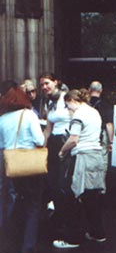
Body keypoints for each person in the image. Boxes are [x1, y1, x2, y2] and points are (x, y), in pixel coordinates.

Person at [52, 89, 107, 249]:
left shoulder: (78, 115)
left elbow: (74, 139)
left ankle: (73, 238)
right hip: (95, 157)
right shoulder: (94, 112)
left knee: (72, 196)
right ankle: (98, 233)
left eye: (68, 106)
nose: (68, 111)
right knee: (92, 196)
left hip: (81, 157)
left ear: (73, 101)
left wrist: (62, 151)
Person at [0, 86, 44, 253]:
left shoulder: (2, 119)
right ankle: (28, 246)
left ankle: (9, 244)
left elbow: (1, 145)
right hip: (29, 163)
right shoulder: (29, 115)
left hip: (10, 164)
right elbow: (39, 140)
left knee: (13, 202)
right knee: (33, 205)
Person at [39, 72, 71, 229]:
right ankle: (59, 215)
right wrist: (42, 147)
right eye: (42, 85)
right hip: (54, 143)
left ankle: (67, 218)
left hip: (66, 142)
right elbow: (48, 129)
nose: (44, 87)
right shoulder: (48, 102)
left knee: (63, 182)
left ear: (56, 82)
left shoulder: (66, 99)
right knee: (53, 182)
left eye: (47, 83)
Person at [0, 80, 18, 230]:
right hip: (10, 150)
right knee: (11, 189)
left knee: (8, 188)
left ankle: (6, 221)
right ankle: (9, 222)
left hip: (4, 149)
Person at [88, 81, 114, 151]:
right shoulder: (106, 105)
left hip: (86, 135)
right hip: (101, 135)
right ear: (101, 90)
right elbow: (109, 124)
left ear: (89, 90)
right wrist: (111, 141)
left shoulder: (84, 104)